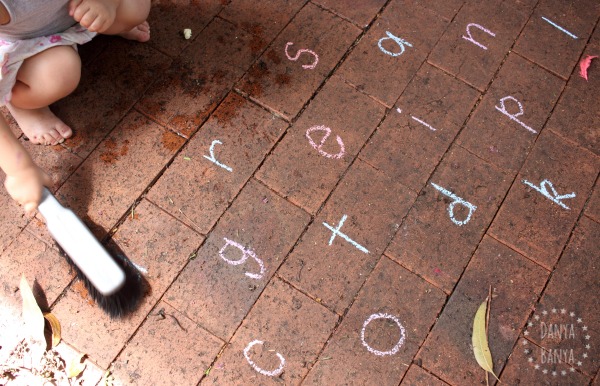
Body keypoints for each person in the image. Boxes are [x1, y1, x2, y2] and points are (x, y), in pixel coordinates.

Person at [0, 0, 151, 214]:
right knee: (58, 75)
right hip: (23, 45)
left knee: (135, 8)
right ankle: (19, 98)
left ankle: (102, 25)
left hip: (77, 10)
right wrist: (18, 169)